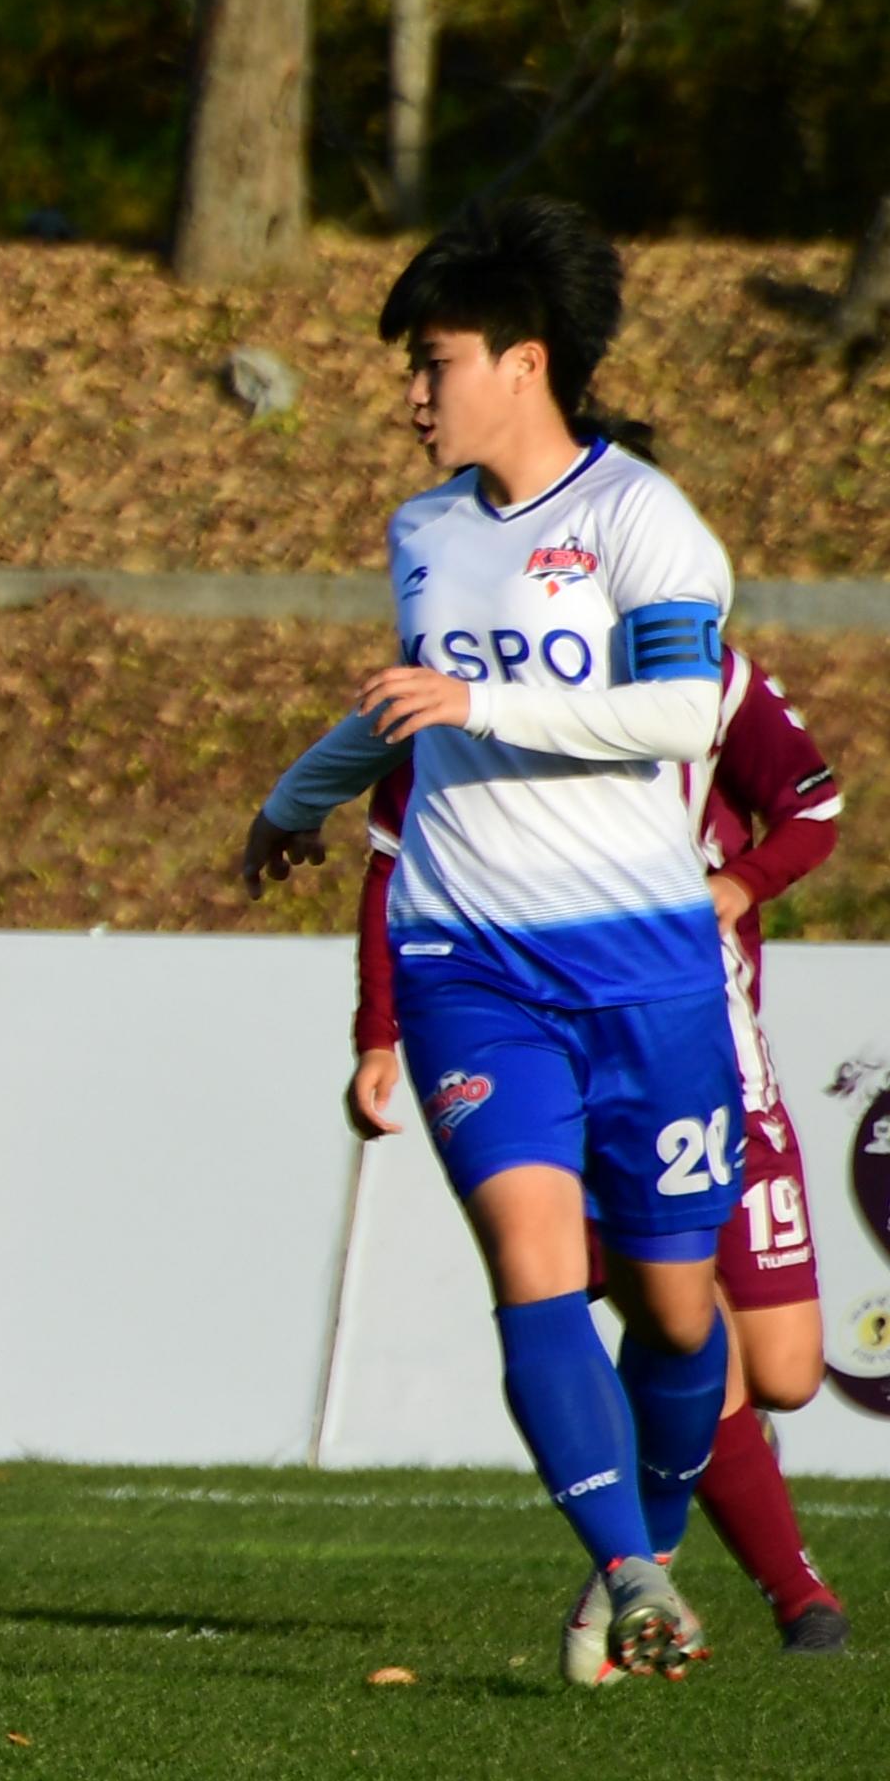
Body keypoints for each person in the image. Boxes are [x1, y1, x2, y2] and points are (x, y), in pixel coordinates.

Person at [243, 201, 741, 1684]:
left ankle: (644, 1548)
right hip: (470, 964)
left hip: (645, 972)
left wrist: (485, 706)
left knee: (672, 1306)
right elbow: (408, 701)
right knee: (531, 1269)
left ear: (524, 364)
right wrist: (297, 797)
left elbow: (679, 717)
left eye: (434, 361)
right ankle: (634, 1575)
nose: (412, 393)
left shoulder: (638, 522)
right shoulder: (425, 531)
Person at [352, 651, 848, 1662]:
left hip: (714, 1058)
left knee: (784, 1367)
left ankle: (663, 1534)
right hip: (558, 1053)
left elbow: (812, 804)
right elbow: (390, 853)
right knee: (669, 1308)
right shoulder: (473, 676)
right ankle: (769, 1593)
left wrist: (740, 885)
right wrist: (378, 1030)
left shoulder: (698, 676)